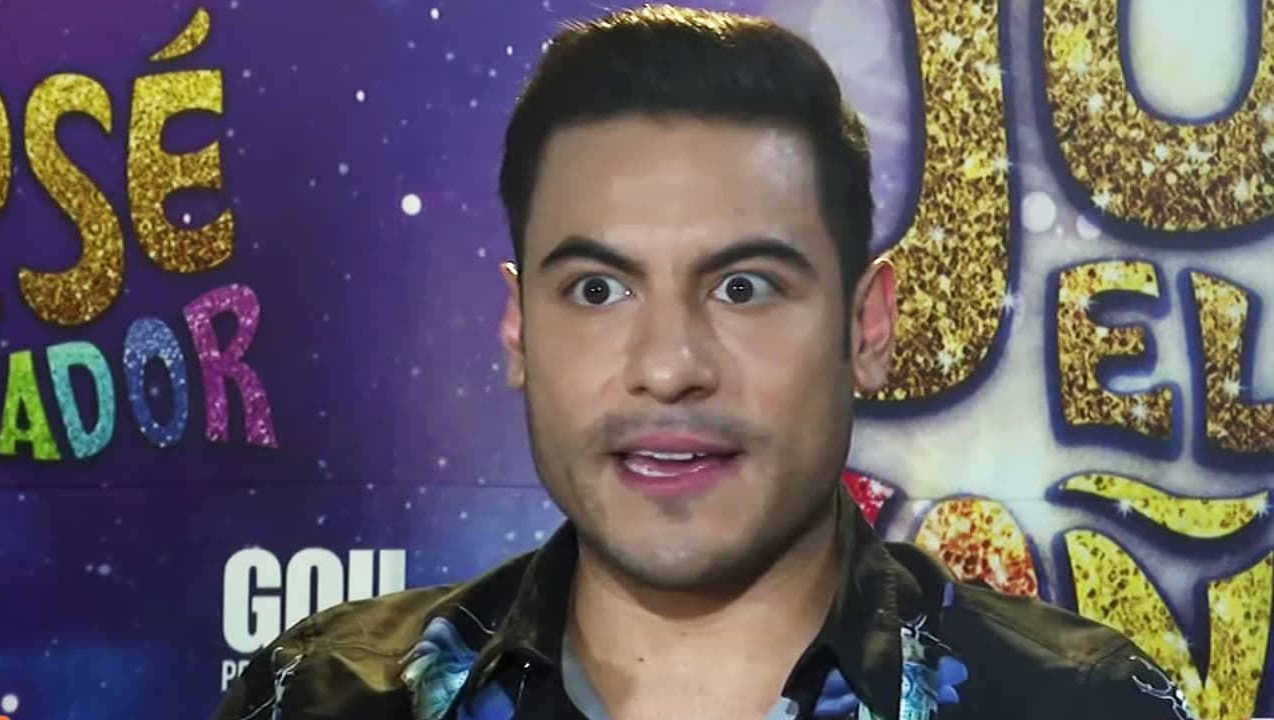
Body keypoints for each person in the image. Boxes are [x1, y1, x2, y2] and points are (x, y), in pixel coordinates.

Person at [215, 6, 1199, 720]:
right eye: (597, 290)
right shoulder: (321, 698)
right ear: (518, 330)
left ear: (866, 328)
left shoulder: (1080, 706)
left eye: (743, 287)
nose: (669, 367)